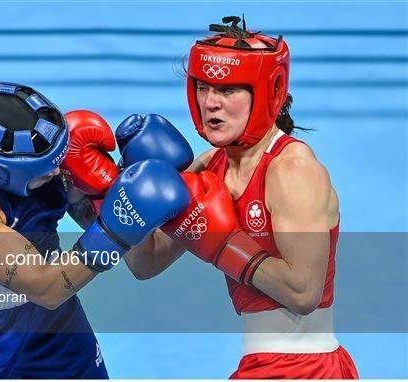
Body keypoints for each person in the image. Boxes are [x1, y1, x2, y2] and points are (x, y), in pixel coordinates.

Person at [122, 16, 360, 379]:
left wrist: (222, 244)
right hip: (263, 364)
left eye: (228, 90)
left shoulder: (292, 170)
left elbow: (303, 292)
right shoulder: (208, 169)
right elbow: (146, 263)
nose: (211, 103)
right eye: (203, 87)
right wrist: (110, 196)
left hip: (307, 367)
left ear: (268, 92)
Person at [0, 82, 191, 378]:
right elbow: (46, 289)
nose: (58, 171)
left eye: (58, 160)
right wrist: (113, 232)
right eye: (46, 168)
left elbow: (144, 263)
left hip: (55, 326)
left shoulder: (53, 155)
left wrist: (117, 192)